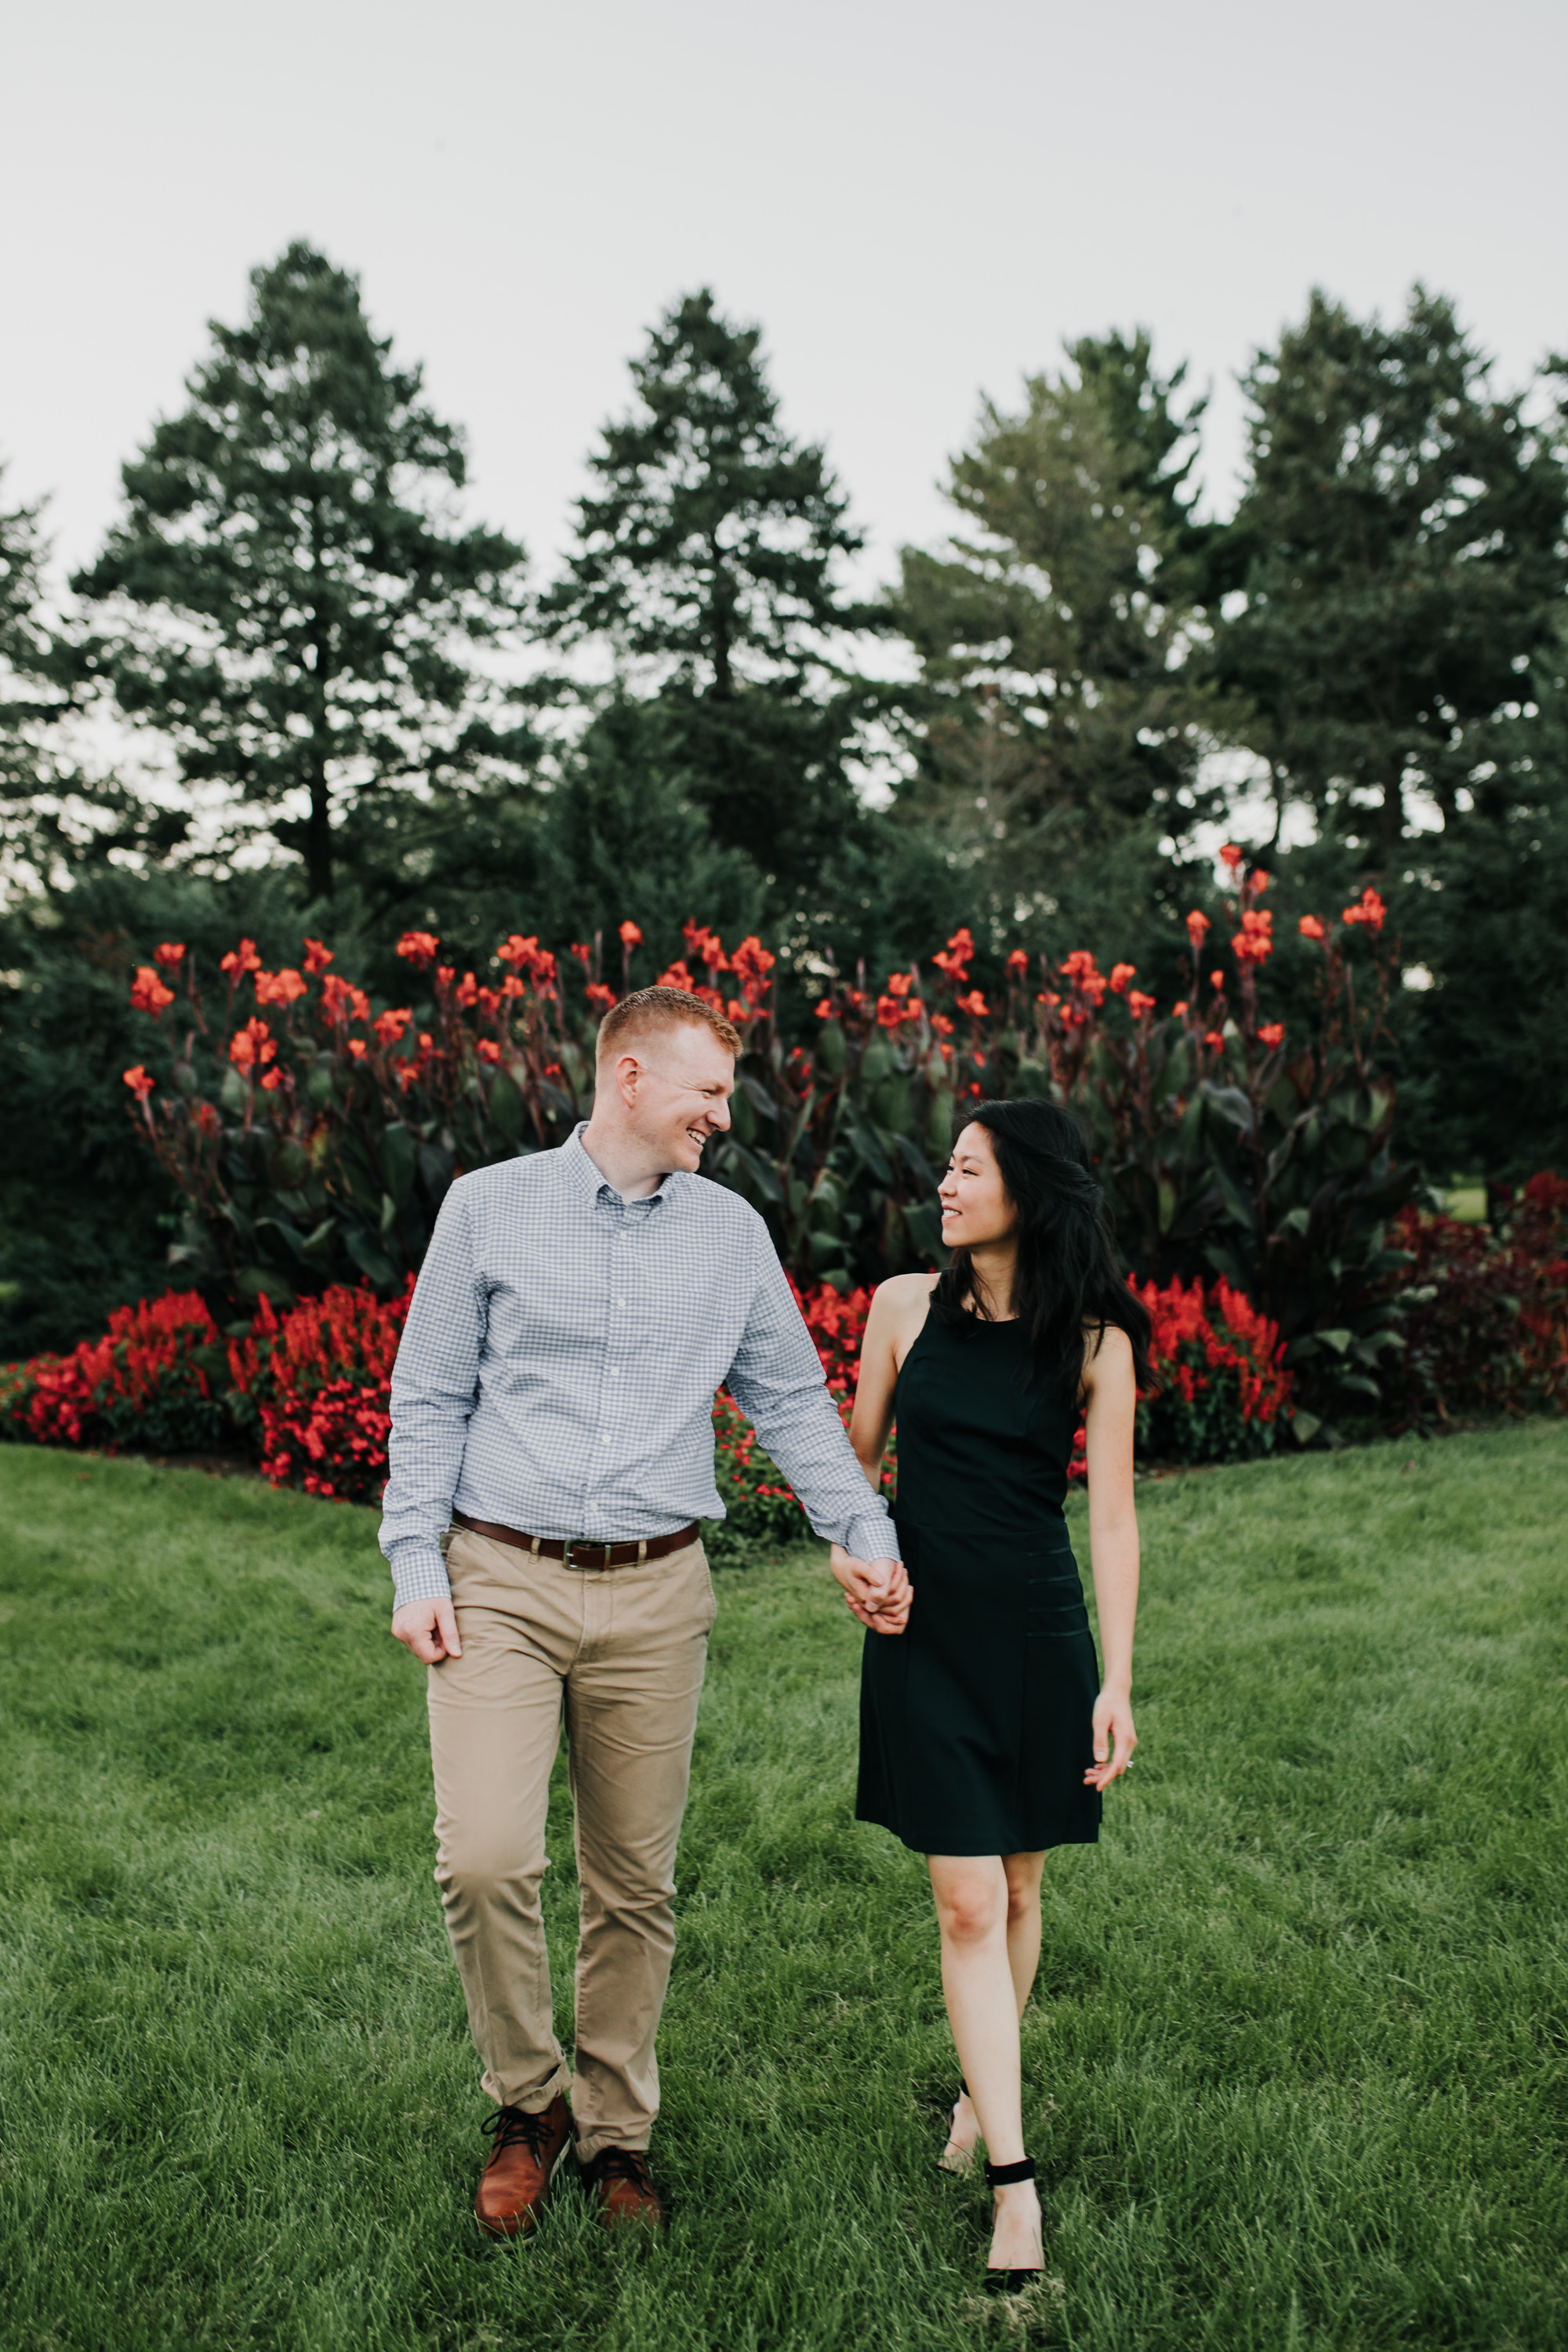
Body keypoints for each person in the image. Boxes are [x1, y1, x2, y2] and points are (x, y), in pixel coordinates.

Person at [379, 986, 909, 2240]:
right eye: (707, 1092)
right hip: (499, 1574)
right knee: (487, 1856)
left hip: (660, 1589)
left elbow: (789, 1400)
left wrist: (863, 1528)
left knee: (633, 1885)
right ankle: (528, 2104)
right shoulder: (488, 1207)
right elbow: (427, 1397)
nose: (725, 1115)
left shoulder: (729, 1236)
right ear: (627, 1078)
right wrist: (417, 1565)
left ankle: (617, 2133)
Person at [841, 1099, 1149, 2292]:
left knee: (1019, 1883)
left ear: (1029, 1187)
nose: (946, 1185)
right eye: (947, 1168)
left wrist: (1116, 1676)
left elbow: (1112, 1520)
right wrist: (846, 1552)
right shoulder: (901, 1308)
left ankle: (983, 2095)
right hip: (927, 1635)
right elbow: (854, 1460)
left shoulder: (1096, 1340)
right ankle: (1015, 2195)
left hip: (1035, 1637)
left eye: (968, 1169)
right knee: (967, 1902)